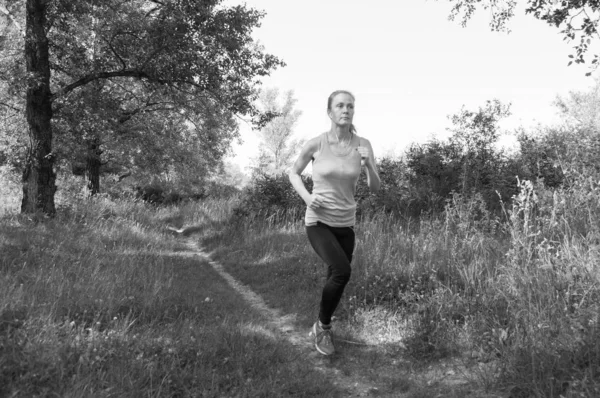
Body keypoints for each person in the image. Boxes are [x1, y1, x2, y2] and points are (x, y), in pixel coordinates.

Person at [289, 90, 380, 355]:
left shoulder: (363, 144)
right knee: (342, 271)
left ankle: (321, 324)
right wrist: (307, 198)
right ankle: (323, 327)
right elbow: (293, 173)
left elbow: (375, 187)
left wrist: (368, 165)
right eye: (340, 105)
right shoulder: (316, 144)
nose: (346, 109)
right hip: (318, 221)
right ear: (330, 112)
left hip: (346, 224)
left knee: (336, 276)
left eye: (350, 106)